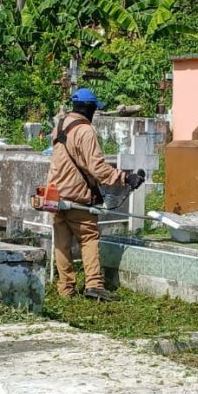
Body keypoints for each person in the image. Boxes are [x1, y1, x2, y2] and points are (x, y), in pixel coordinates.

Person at [46, 88, 145, 300]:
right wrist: (125, 177)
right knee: (89, 238)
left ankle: (66, 289)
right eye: (93, 109)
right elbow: (97, 168)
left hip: (54, 194)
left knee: (62, 244)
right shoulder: (85, 131)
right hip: (77, 195)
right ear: (89, 108)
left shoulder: (60, 126)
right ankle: (94, 285)